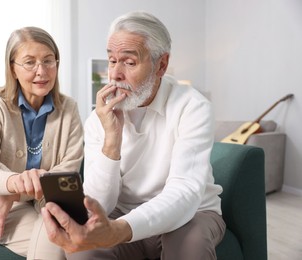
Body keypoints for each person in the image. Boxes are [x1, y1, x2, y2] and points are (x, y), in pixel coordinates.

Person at [42, 11, 226, 260]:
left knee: (188, 248)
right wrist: (111, 141)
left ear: (161, 65)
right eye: (111, 60)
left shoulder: (193, 107)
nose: (115, 74)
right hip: (122, 214)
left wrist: (120, 230)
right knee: (83, 253)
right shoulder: (99, 119)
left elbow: (184, 192)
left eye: (129, 63)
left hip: (191, 215)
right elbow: (100, 204)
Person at [0, 26, 83, 259]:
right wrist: (11, 185)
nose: (42, 71)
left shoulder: (69, 108)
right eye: (29, 62)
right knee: (58, 239)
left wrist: (11, 196)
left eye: (49, 61)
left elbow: (67, 173)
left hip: (46, 202)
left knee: (80, 239)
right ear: (13, 69)